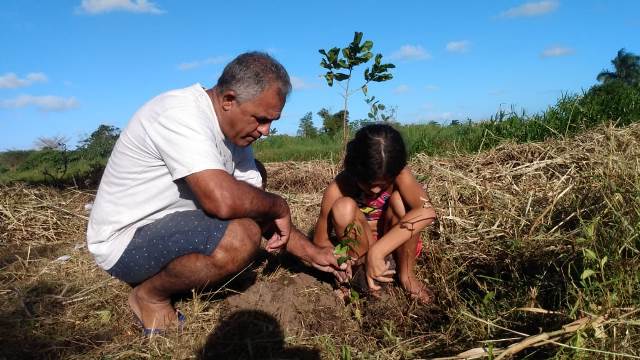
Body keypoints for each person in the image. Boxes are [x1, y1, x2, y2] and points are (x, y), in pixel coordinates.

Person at [87, 52, 346, 334]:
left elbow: (254, 200)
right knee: (241, 237)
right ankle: (149, 296)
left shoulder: (236, 135)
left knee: (253, 188)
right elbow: (222, 201)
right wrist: (279, 206)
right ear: (228, 100)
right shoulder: (179, 113)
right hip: (126, 241)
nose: (266, 130)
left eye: (271, 121)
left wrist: (312, 253)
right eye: (260, 119)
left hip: (172, 225)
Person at [312, 124, 437, 303]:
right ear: (354, 170)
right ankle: (364, 281)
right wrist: (340, 260)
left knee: (400, 201)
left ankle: (406, 276)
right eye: (368, 183)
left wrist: (378, 251)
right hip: (359, 254)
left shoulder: (400, 175)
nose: (376, 189)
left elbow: (427, 211)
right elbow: (320, 240)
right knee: (343, 208)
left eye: (383, 183)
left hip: (397, 247)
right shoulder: (338, 187)